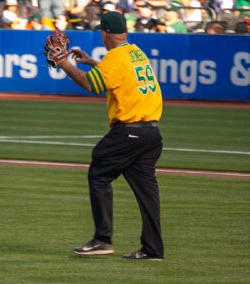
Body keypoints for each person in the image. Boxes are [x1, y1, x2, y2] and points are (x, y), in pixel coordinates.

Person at [47, 11, 164, 260]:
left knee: (99, 172)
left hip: (130, 132)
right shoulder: (135, 52)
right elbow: (119, 77)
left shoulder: (116, 57)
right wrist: (91, 63)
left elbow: (91, 85)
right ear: (125, 32)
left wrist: (63, 62)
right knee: (147, 192)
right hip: (152, 135)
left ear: (104, 33)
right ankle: (153, 249)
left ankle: (103, 240)